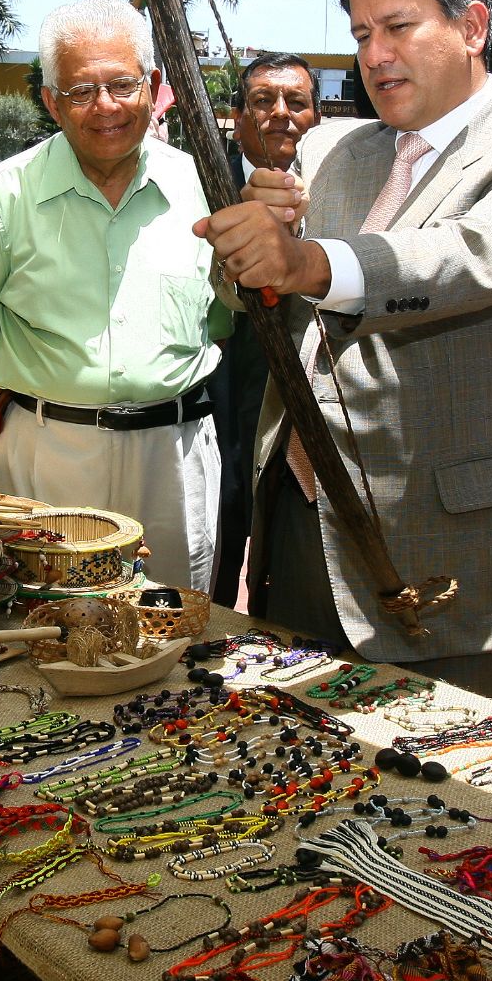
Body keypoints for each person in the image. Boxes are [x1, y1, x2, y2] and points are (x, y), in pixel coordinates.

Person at [197, 0, 492, 704]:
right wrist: (248, 251)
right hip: (299, 528)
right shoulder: (332, 154)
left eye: (397, 26)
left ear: (473, 26)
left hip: (449, 559)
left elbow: (471, 260)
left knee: (451, 803)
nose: (374, 54)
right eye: (360, 33)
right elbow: (259, 303)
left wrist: (306, 262)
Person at [0, 0, 230, 591]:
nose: (106, 108)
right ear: (50, 101)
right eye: (80, 92)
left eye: (122, 84)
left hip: (173, 455)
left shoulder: (201, 185)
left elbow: (222, 318)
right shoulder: (5, 193)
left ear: (154, 85)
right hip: (50, 453)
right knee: (46, 629)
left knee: (172, 630)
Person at [212, 52, 321, 606]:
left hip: (308, 405)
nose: (281, 114)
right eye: (263, 101)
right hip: (226, 390)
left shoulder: (337, 192)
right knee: (226, 528)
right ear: (237, 114)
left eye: (296, 101)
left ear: (316, 117)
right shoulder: (205, 186)